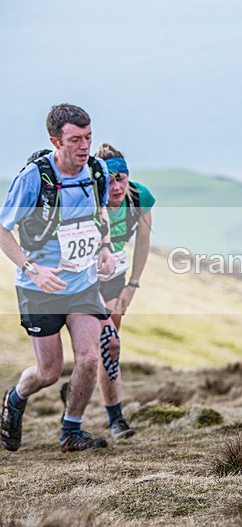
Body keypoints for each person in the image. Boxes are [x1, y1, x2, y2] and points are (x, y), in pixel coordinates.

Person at [0, 103, 115, 452]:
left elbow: (100, 215)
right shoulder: (34, 178)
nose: (85, 147)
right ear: (55, 141)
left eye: (89, 138)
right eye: (76, 140)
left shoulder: (97, 171)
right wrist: (32, 268)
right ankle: (15, 399)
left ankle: (71, 431)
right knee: (49, 372)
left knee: (89, 358)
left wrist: (106, 248)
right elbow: (3, 230)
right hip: (40, 288)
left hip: (82, 282)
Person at [60, 143, 155, 440]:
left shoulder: (139, 198)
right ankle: (78, 402)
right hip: (81, 277)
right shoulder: (88, 199)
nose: (116, 187)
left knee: (110, 347)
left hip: (115, 275)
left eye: (121, 178)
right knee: (98, 345)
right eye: (110, 180)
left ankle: (116, 419)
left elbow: (142, 242)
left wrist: (133, 285)